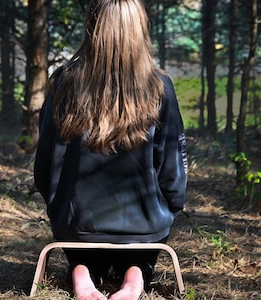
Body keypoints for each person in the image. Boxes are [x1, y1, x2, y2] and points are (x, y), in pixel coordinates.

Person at [34, 0, 187, 299]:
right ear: (139, 29)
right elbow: (173, 169)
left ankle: (81, 269)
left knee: (83, 246)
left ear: (92, 28)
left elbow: (45, 165)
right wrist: (168, 209)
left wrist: (59, 207)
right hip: (145, 229)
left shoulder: (63, 83)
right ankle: (136, 274)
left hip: (76, 226)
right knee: (139, 252)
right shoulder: (160, 87)